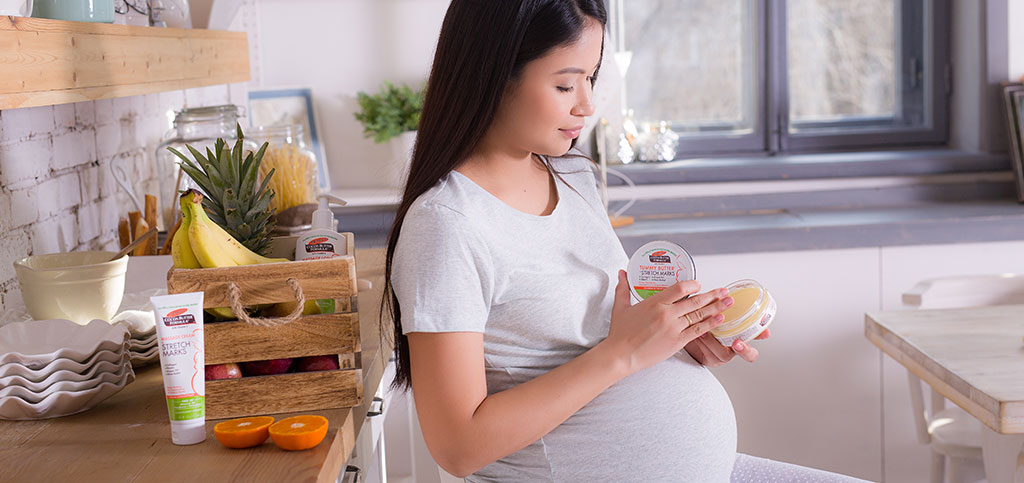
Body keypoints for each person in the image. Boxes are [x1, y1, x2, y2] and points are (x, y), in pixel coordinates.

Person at [381, 1, 868, 481]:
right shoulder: (446, 225)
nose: (587, 105)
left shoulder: (574, 178)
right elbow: (458, 447)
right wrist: (626, 353)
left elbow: (596, 333)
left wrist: (679, 339)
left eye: (591, 78)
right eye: (565, 84)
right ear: (492, 75)